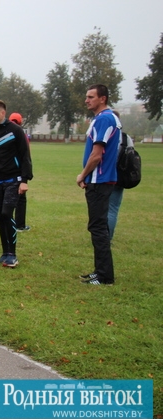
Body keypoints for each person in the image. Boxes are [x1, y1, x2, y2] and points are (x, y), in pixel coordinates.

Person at [0, 100, 32, 268]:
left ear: (3, 113)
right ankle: (4, 252)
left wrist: (24, 180)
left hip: (13, 180)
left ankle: (13, 254)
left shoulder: (16, 131)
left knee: (7, 214)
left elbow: (25, 156)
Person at [77, 84, 120, 286]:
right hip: (100, 180)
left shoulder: (104, 119)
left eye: (91, 97)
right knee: (97, 226)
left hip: (99, 181)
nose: (87, 100)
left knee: (98, 227)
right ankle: (99, 271)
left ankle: (104, 277)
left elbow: (96, 155)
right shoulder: (106, 118)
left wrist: (83, 175)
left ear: (102, 98)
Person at [107, 110, 133, 241]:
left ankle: (101, 237)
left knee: (102, 208)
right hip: (120, 177)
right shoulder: (126, 138)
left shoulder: (107, 135)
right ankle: (108, 237)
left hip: (105, 176)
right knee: (113, 209)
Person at [8, 112, 31, 232]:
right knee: (20, 198)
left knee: (7, 197)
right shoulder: (21, 133)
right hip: (18, 170)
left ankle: (7, 222)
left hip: (6, 170)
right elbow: (26, 154)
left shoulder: (5, 132)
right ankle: (20, 224)